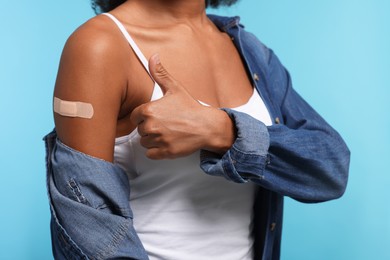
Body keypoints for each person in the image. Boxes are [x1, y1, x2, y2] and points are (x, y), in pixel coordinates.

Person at [44, 0, 350, 259]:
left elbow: (331, 169)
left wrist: (223, 131)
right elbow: (87, 226)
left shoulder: (247, 49)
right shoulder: (101, 44)